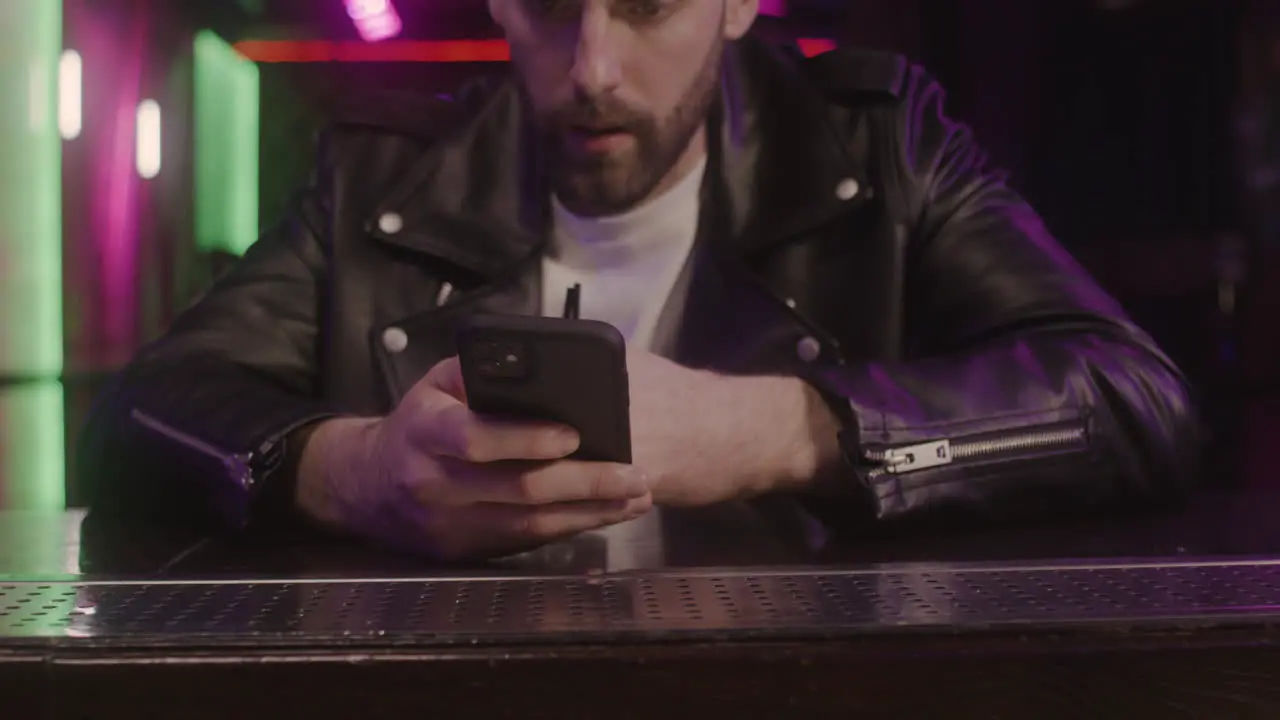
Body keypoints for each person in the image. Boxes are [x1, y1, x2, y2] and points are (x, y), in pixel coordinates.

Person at [78, 0, 1199, 560]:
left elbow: (1133, 398)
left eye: (649, 5)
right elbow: (136, 422)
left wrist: (787, 432)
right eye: (549, 8)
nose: (592, 70)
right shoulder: (376, 175)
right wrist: (354, 468)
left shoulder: (879, 146)